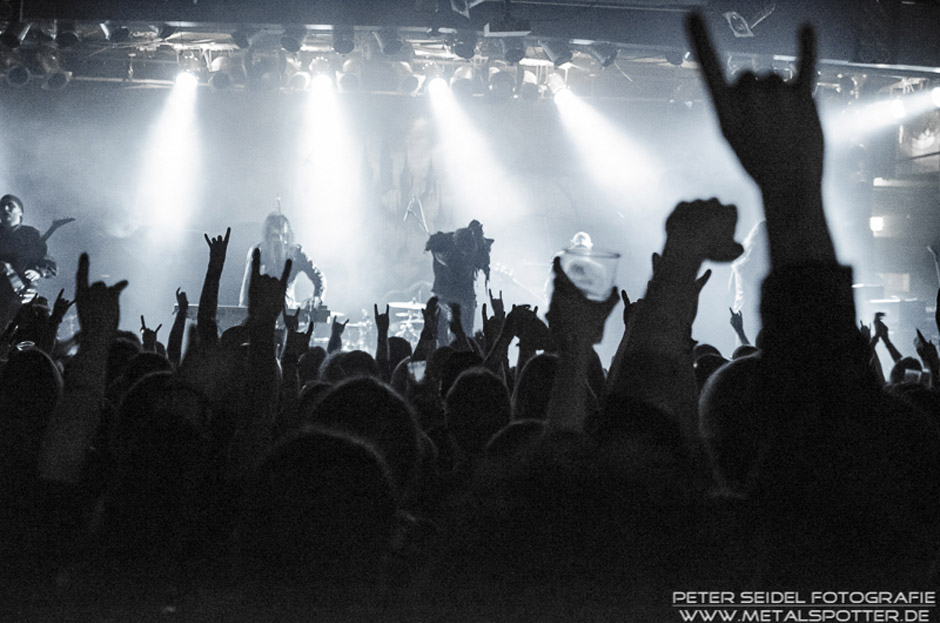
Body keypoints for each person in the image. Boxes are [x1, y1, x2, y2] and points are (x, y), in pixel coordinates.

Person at [238, 212, 326, 312]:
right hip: (262, 314)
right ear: (268, 236)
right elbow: (247, 286)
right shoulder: (258, 252)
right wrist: (243, 315)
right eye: (275, 236)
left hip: (287, 314)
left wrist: (317, 298)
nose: (280, 240)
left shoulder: (296, 254)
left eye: (284, 235)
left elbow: (319, 277)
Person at [425, 219, 492, 339]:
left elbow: (482, 259)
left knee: (464, 336)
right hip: (445, 296)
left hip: (464, 297)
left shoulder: (474, 246)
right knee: (442, 336)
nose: (465, 256)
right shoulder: (442, 247)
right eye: (463, 253)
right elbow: (442, 254)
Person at [0, 194, 57, 330]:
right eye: (2, 206)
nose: (5, 209)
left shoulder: (31, 234)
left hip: (20, 298)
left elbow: (51, 266)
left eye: (11, 205)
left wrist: (38, 272)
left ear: (21, 212)